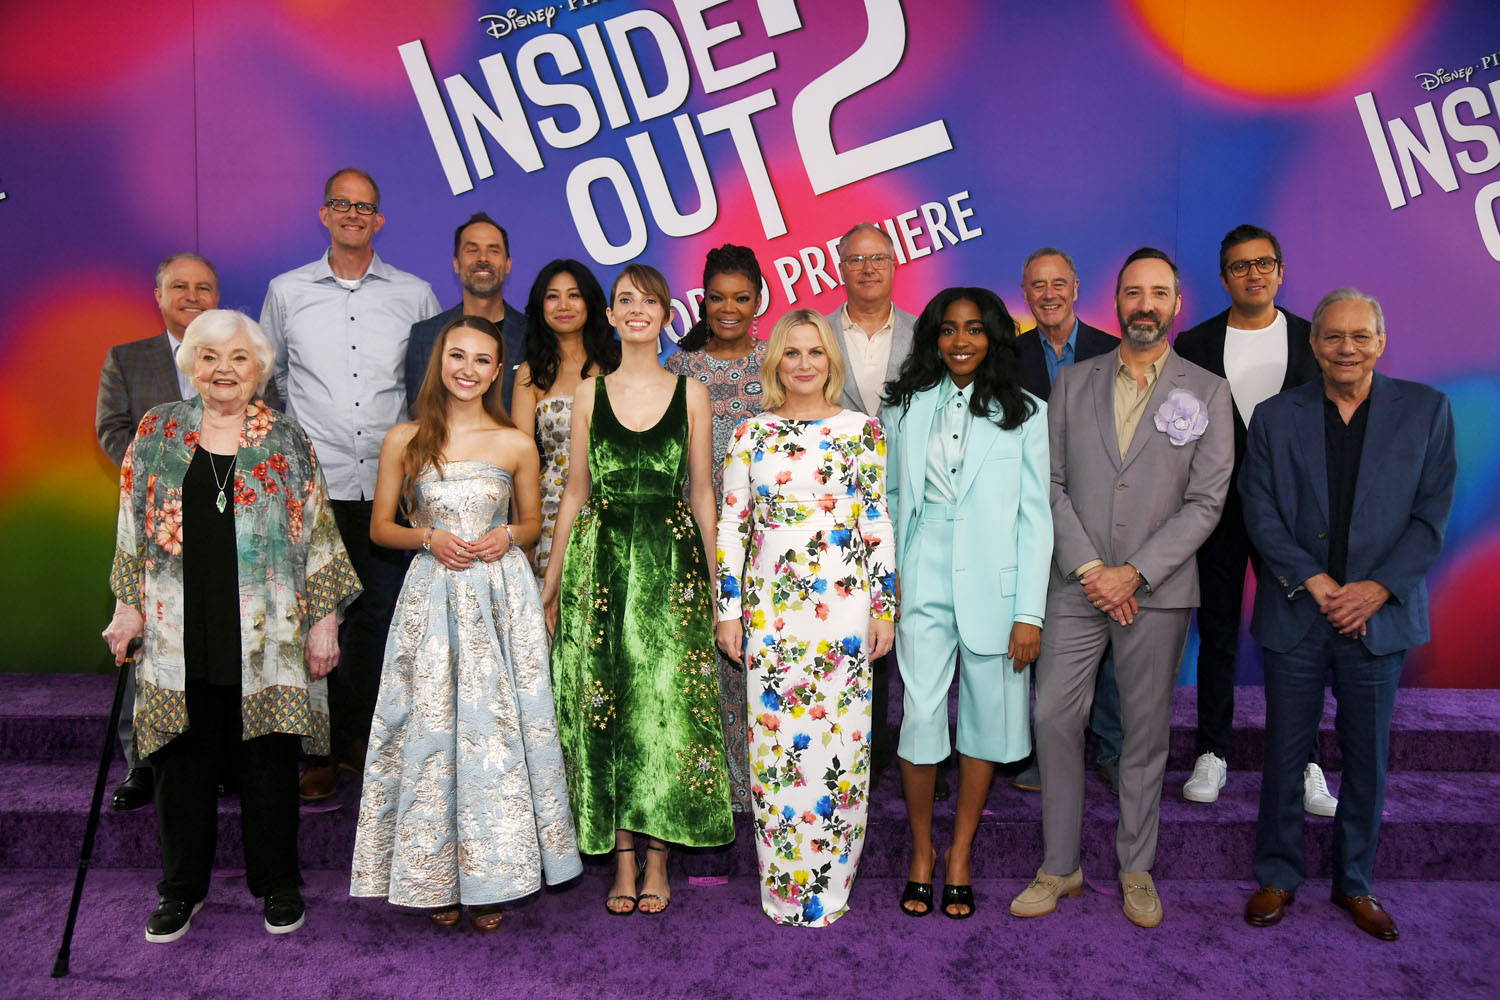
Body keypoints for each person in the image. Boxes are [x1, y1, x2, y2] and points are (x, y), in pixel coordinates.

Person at [101, 309, 361, 943]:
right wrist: (128, 607)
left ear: (260, 369)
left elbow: (318, 532)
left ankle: (278, 883)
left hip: (269, 635)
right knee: (180, 762)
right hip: (175, 630)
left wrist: (324, 623)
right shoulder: (157, 431)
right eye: (210, 356)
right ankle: (180, 890)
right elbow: (132, 526)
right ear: (192, 364)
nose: (224, 370)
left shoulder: (285, 438)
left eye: (239, 358)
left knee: (268, 761)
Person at [1011, 248, 1232, 929]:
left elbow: (1207, 501)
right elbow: (1047, 483)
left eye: (1158, 293)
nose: (1145, 305)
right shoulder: (1074, 383)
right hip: (1075, 585)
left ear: (1176, 305)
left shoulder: (1208, 391)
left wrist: (1132, 572)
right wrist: (1090, 569)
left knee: (1142, 731)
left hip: (1155, 592)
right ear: (1115, 301)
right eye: (1134, 292)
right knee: (1053, 718)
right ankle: (1060, 866)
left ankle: (1136, 867)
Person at [351, 315, 582, 932]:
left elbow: (532, 524)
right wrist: (427, 537)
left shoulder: (516, 443)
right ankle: (436, 876)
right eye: (458, 356)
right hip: (432, 600)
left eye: (482, 360)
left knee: (497, 732)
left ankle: (493, 877)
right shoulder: (405, 439)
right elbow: (380, 529)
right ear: (440, 361)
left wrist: (508, 535)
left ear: (497, 370)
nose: (468, 369)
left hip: (501, 600)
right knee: (432, 730)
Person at [1240, 289, 1456, 941]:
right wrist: (1316, 581)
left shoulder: (1427, 410)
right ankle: (1277, 875)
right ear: (1314, 344)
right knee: (1285, 752)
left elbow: (1431, 516)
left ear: (1380, 342)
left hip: (1378, 618)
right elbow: (1259, 508)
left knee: (1367, 758)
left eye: (1360, 336)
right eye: (1333, 336)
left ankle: (1355, 881)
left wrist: (1375, 590)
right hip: (1297, 611)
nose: (1346, 349)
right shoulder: (1274, 417)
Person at [542, 264, 733, 916]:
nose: (636, 310)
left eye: (648, 300)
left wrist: (717, 586)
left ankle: (659, 857)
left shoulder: (692, 393)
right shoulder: (588, 394)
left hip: (671, 565)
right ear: (612, 314)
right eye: (625, 299)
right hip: (598, 565)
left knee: (664, 708)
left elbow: (702, 494)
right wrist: (551, 582)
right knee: (609, 706)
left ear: (666, 314)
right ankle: (622, 858)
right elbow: (575, 492)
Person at [260, 167, 440, 801]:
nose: (353, 214)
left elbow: (428, 386)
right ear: (325, 213)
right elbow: (272, 379)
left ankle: (364, 741)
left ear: (379, 220)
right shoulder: (286, 292)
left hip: (391, 488)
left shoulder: (415, 294)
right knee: (317, 617)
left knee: (378, 620)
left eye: (365, 207)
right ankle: (320, 750)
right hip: (315, 485)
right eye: (342, 204)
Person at [714, 309, 895, 925]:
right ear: (775, 362)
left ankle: (831, 890)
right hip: (771, 615)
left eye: (815, 352)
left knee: (841, 748)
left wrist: (884, 608)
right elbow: (732, 527)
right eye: (791, 353)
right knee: (776, 752)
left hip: (843, 614)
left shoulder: (862, 431)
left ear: (830, 361)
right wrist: (728, 613)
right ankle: (783, 891)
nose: (803, 364)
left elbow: (876, 521)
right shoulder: (751, 433)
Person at [883, 288, 1051, 919]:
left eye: (975, 329)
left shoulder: (1026, 412)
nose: (961, 341)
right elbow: (888, 497)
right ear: (933, 337)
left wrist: (1029, 612)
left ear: (994, 338)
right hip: (919, 576)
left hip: (995, 587)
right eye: (949, 329)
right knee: (922, 717)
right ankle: (922, 852)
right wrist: (886, 581)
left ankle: (960, 854)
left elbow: (1035, 519)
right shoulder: (902, 406)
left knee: (984, 719)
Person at [1173, 224, 1331, 812]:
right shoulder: (1195, 343)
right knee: (1216, 635)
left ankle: (1307, 759)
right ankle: (1213, 751)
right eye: (1240, 266)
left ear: (1281, 271)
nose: (1253, 274)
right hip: (1217, 516)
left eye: (1263, 263)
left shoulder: (1313, 339)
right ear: (1224, 278)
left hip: (1291, 520)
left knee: (1295, 640)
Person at [95, 253, 236, 811]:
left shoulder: (241, 360)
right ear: (158, 295)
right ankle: (143, 765)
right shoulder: (127, 359)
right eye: (180, 286)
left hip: (227, 524)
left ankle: (218, 760)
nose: (192, 296)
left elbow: (259, 428)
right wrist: (163, 476)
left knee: (216, 642)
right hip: (154, 526)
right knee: (147, 640)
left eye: (204, 287)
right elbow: (111, 429)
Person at [1012, 247, 1122, 796]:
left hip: (1103, 514)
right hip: (1027, 512)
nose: (1049, 294)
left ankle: (1111, 748)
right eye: (1038, 285)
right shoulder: (1005, 357)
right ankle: (1045, 753)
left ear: (1076, 288)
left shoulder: (1114, 351)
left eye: (1059, 283)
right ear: (1025, 294)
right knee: (1042, 640)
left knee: (1111, 639)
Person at [667, 243, 769, 814]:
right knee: (705, 660)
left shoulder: (778, 362)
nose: (729, 309)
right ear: (701, 301)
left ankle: (767, 786)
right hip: (695, 535)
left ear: (759, 301)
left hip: (769, 541)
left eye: (741, 298)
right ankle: (716, 793)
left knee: (760, 658)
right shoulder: (678, 369)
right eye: (717, 298)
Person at [825, 222, 917, 792]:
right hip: (836, 506)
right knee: (855, 619)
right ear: (840, 267)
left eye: (878, 258)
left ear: (894, 265)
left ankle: (920, 753)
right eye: (856, 259)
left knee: (916, 626)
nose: (868, 268)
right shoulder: (816, 334)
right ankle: (862, 749)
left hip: (915, 498)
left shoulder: (924, 334)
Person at [511, 259, 619, 580]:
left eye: (574, 295)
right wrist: (523, 532)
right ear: (540, 305)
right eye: (552, 296)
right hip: (551, 511)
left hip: (616, 505)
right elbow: (519, 460)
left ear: (590, 302)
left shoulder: (618, 364)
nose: (563, 305)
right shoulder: (531, 373)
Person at [406, 212, 528, 414]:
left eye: (493, 251)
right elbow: (419, 414)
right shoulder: (424, 336)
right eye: (472, 250)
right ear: (456, 264)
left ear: (508, 265)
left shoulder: (535, 335)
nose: (483, 258)